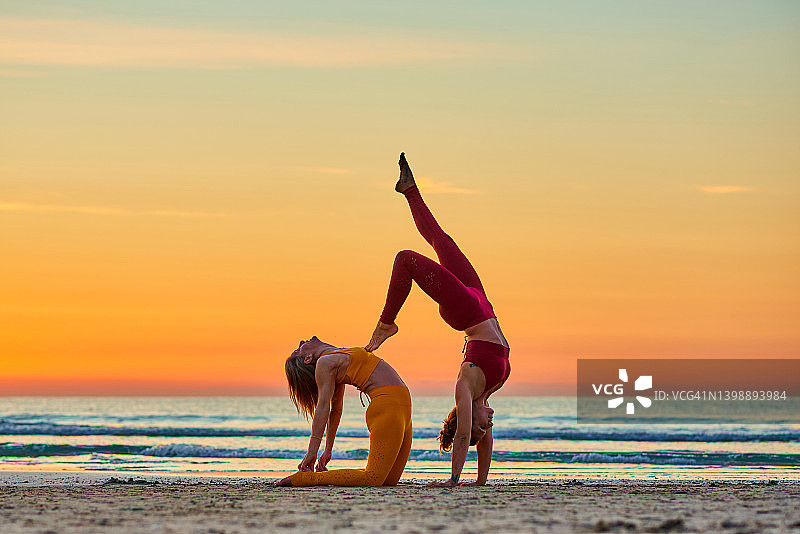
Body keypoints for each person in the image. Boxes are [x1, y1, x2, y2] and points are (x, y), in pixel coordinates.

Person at [365, 153, 510, 487]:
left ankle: (387, 323)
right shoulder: (486, 395)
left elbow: (463, 437)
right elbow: (481, 441)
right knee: (440, 239)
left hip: (467, 311)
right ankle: (410, 190)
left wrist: (454, 481)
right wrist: (480, 483)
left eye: (481, 425)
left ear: (467, 417)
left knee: (406, 260)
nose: (489, 424)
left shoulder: (465, 388)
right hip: (481, 303)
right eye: (485, 427)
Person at [276, 336, 412, 486]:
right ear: (308, 358)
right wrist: (312, 452)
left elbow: (336, 410)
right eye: (297, 350)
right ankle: (303, 479)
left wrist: (328, 450)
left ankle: (319, 477)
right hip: (387, 407)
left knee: (388, 480)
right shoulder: (324, 363)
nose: (301, 342)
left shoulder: (335, 357)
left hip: (402, 409)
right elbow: (323, 407)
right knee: (373, 478)